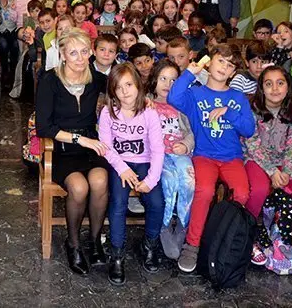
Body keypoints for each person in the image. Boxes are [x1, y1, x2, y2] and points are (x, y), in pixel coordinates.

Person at [167, 44, 255, 273]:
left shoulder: (238, 97)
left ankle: (226, 236)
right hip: (204, 156)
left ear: (233, 72)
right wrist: (190, 72)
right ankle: (192, 244)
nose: (224, 67)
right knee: (204, 190)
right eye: (220, 61)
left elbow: (248, 129)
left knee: (242, 193)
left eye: (230, 65)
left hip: (232, 157)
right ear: (210, 62)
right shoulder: (196, 93)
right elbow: (174, 98)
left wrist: (229, 112)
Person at [35, 29, 109, 275]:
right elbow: (44, 126)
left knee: (100, 180)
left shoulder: (96, 78)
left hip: (90, 146)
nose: (79, 58)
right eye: (73, 53)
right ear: (63, 55)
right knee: (79, 187)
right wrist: (80, 139)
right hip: (61, 146)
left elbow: (124, 87)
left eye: (84, 52)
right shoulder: (49, 80)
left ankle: (96, 239)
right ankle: (74, 243)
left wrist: (147, 99)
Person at [242, 66, 292, 267]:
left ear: (287, 87)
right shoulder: (252, 111)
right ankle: (248, 235)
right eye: (268, 84)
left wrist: (287, 172)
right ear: (261, 89)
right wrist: (272, 171)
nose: (275, 88)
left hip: (284, 162)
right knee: (258, 190)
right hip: (256, 160)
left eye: (280, 83)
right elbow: (252, 145)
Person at [100, 63, 165, 284]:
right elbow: (106, 147)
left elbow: (157, 149)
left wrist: (151, 179)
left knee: (156, 201)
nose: (125, 91)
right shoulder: (108, 113)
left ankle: (150, 244)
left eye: (128, 84)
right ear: (112, 92)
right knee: (118, 203)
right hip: (120, 163)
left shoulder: (149, 113)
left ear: (138, 85)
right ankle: (117, 253)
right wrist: (123, 168)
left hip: (145, 162)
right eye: (119, 87)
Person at [148, 59, 195, 261]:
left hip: (180, 151)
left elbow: (193, 131)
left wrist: (186, 144)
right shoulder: (146, 102)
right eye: (163, 79)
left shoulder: (183, 104)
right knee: (168, 181)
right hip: (157, 154)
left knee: (188, 179)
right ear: (154, 80)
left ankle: (183, 224)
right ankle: (165, 225)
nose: (167, 84)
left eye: (173, 80)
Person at [0, 0, 19, 88]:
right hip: (0, 33)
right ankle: (5, 72)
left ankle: (13, 73)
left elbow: (17, 18)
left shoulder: (14, 2)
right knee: (3, 45)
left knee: (15, 45)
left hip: (12, 30)